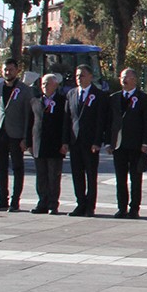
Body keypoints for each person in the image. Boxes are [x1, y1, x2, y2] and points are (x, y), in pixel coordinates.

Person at [0, 58, 32, 211]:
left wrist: (26, 138)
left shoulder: (24, 90)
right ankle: (2, 199)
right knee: (1, 167)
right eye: (5, 69)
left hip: (16, 134)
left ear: (17, 71)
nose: (7, 72)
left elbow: (27, 115)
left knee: (17, 167)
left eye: (10, 69)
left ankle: (15, 200)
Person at [106, 67, 147, 218]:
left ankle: (134, 208)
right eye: (121, 77)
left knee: (135, 179)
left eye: (127, 77)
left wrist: (145, 143)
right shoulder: (114, 98)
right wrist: (108, 142)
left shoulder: (143, 98)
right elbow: (109, 122)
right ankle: (122, 207)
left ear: (134, 80)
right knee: (120, 178)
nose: (123, 80)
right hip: (118, 145)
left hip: (136, 144)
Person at [65, 64, 107, 217]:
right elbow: (67, 119)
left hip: (90, 143)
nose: (79, 78)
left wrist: (98, 141)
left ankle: (90, 206)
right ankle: (80, 203)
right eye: (77, 76)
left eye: (82, 75)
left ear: (90, 77)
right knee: (77, 174)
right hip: (75, 141)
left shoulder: (99, 95)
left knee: (90, 175)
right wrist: (65, 141)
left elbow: (101, 121)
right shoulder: (71, 94)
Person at [28, 74, 69, 215]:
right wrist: (28, 142)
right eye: (43, 84)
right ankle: (42, 202)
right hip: (39, 144)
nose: (45, 86)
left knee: (53, 175)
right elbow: (30, 123)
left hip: (55, 145)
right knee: (41, 176)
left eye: (48, 83)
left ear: (55, 85)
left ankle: (53, 203)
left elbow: (65, 123)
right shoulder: (35, 101)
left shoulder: (62, 101)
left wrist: (65, 142)